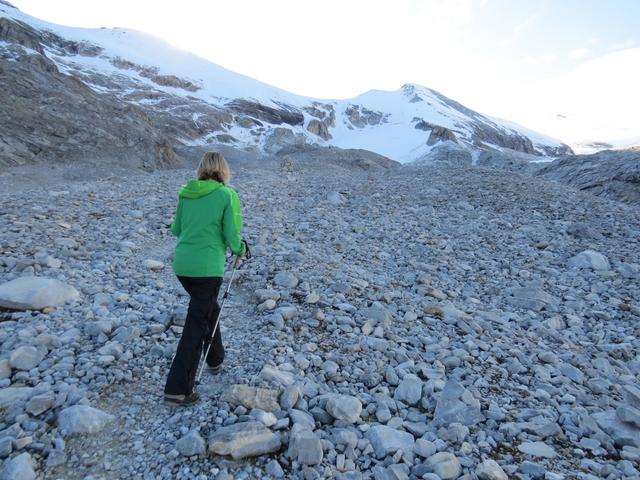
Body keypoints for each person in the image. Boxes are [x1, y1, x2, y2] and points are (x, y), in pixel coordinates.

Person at [164, 151, 247, 406]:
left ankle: (215, 359)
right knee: (196, 323)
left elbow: (176, 229)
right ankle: (178, 389)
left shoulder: (186, 193)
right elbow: (232, 233)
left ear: (201, 169)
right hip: (207, 268)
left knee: (208, 309)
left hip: (182, 266)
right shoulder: (226, 195)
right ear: (223, 170)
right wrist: (241, 249)